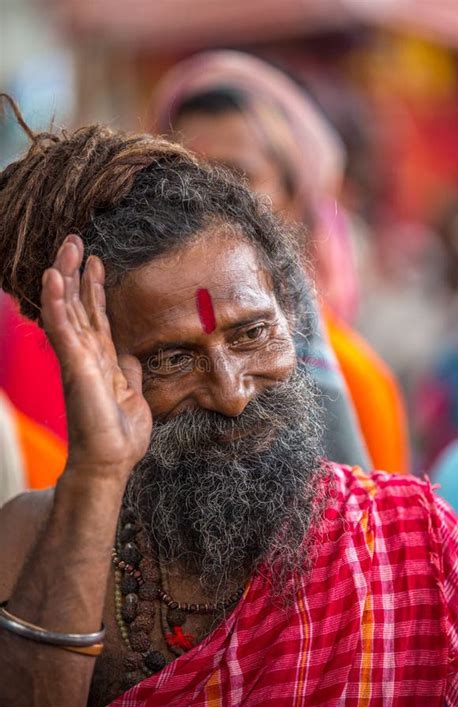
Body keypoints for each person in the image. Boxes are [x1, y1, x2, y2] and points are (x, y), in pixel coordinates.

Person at [0, 110, 458, 707]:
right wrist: (96, 474)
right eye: (172, 359)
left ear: (293, 319)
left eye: (252, 335)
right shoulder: (27, 543)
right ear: (100, 362)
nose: (231, 393)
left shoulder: (417, 546)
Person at [149, 50, 410, 474]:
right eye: (180, 175)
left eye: (236, 177)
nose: (198, 201)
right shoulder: (120, 362)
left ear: (296, 198)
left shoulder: (355, 381)